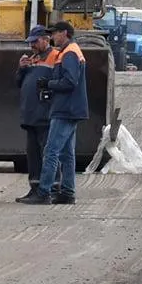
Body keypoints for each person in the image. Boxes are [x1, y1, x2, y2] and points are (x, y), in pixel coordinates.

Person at [30, 21, 89, 205]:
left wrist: (48, 84)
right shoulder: (70, 51)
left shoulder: (69, 53)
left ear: (64, 33)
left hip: (65, 109)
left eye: (55, 33)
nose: (52, 37)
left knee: (51, 151)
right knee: (67, 154)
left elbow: (70, 81)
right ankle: (67, 192)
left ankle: (44, 192)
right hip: (71, 109)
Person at [15, 24, 54, 200]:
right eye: (30, 42)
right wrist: (21, 69)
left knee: (48, 153)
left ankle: (51, 189)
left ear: (46, 40)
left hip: (45, 115)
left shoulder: (55, 58)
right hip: (30, 116)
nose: (32, 45)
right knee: (33, 155)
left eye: (35, 41)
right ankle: (35, 188)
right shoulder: (31, 59)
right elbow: (18, 83)